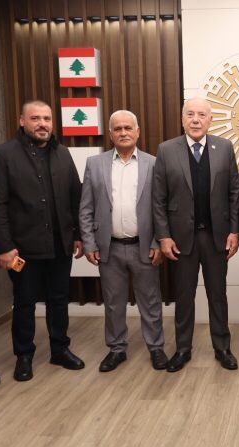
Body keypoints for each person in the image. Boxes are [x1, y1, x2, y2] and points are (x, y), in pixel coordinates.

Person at [0, 99, 85, 381]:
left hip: (59, 245)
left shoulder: (63, 154)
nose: (42, 124)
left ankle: (59, 349)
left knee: (59, 300)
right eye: (35, 118)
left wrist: (77, 235)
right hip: (22, 249)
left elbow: (75, 197)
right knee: (25, 303)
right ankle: (24, 355)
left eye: (47, 119)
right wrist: (4, 246)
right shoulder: (3, 155)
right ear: (22, 121)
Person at [153, 97, 239, 372]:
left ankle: (222, 347)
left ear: (210, 120)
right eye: (190, 114)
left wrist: (234, 231)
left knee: (218, 295)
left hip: (216, 237)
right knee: (184, 297)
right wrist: (163, 236)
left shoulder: (224, 147)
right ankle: (182, 349)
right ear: (182, 119)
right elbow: (158, 198)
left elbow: (234, 193)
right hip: (180, 240)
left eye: (202, 114)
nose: (195, 119)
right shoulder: (166, 150)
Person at [79, 110, 166, 372]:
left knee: (150, 301)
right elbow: (86, 208)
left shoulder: (154, 163)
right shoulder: (95, 164)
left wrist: (157, 242)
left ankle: (156, 348)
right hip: (110, 247)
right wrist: (89, 243)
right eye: (118, 129)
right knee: (113, 302)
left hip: (144, 246)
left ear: (137, 132)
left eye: (128, 128)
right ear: (110, 134)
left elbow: (161, 208)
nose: (123, 133)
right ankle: (117, 349)